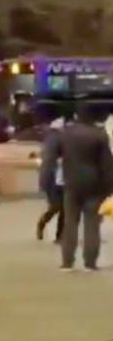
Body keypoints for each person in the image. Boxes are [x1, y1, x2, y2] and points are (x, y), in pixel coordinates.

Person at [57, 105, 113, 271]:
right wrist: (109, 188)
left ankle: (67, 262)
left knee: (70, 223)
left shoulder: (66, 134)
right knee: (92, 225)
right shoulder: (99, 135)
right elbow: (107, 165)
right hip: (94, 185)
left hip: (71, 183)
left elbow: (59, 155)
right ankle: (90, 262)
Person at [37, 117, 65, 243]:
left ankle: (60, 236)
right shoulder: (55, 139)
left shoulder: (50, 138)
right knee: (57, 206)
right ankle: (42, 224)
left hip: (59, 178)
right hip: (53, 178)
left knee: (62, 208)